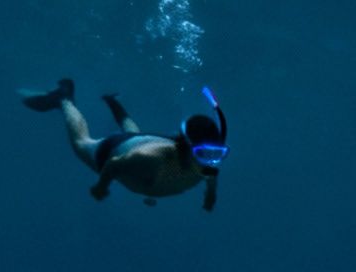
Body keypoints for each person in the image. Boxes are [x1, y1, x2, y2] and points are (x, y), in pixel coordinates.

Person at [20, 79, 225, 211]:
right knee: (81, 143)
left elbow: (211, 179)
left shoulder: (207, 168)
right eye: (203, 153)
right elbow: (114, 164)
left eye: (218, 153)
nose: (210, 161)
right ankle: (64, 98)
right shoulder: (151, 158)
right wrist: (101, 187)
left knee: (133, 134)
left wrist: (210, 198)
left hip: (139, 142)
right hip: (116, 151)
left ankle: (111, 101)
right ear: (186, 146)